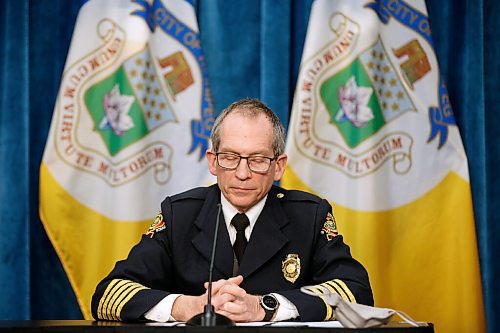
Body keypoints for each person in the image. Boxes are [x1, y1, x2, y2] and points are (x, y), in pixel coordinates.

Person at [91, 98, 373, 322]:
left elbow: (356, 292)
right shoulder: (180, 215)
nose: (241, 173)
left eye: (258, 159)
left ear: (279, 166)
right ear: (212, 161)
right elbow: (108, 294)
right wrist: (186, 306)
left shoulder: (309, 216)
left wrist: (266, 307)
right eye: (229, 157)